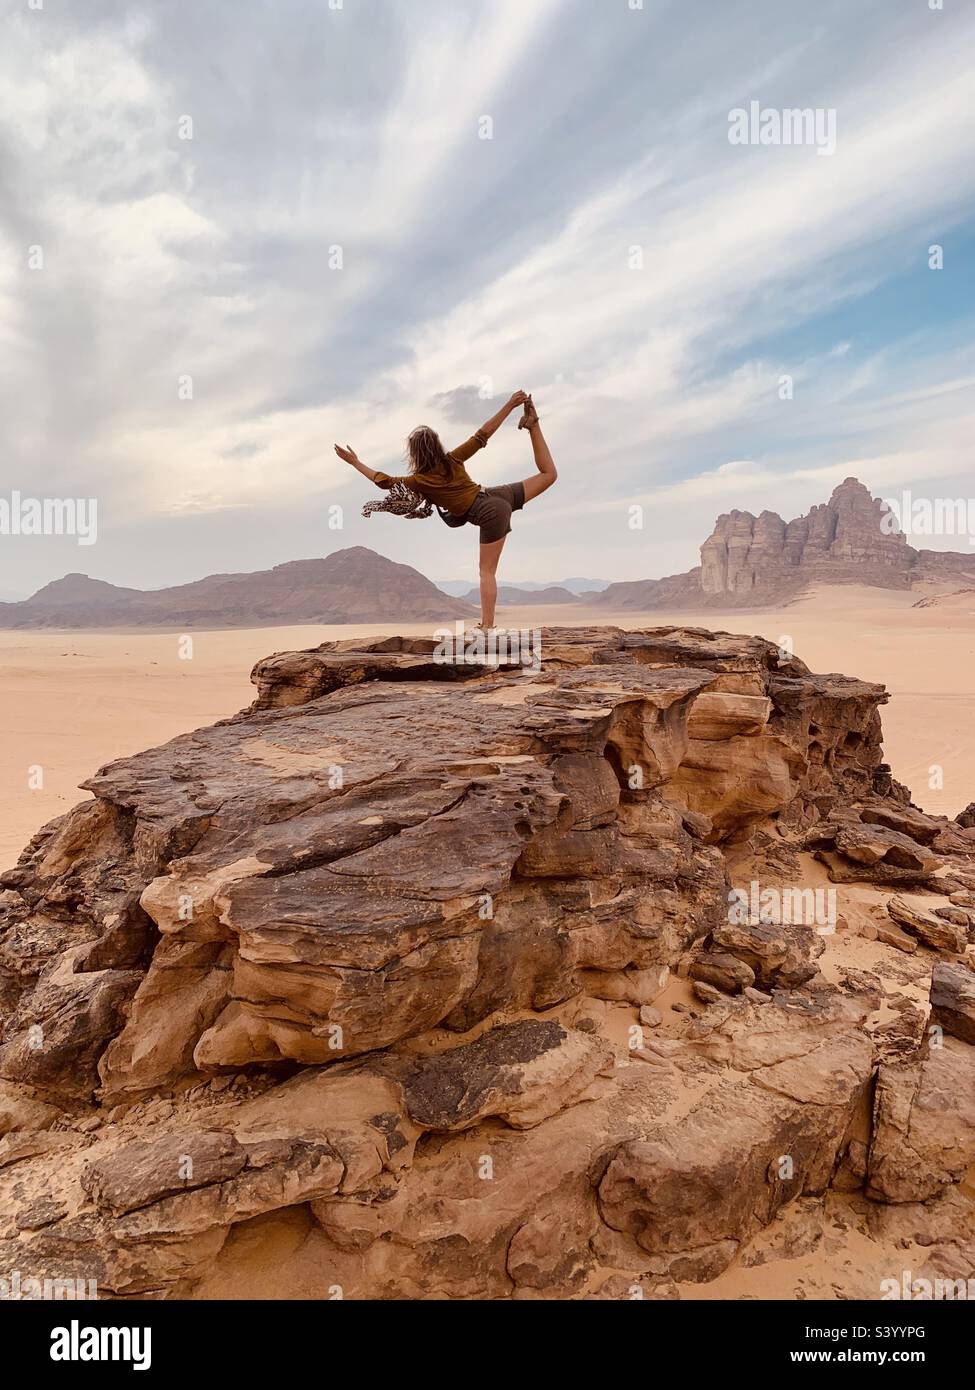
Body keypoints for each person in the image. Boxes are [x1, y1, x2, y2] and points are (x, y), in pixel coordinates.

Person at [335, 392, 557, 629]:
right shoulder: (453, 459)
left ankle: (488, 627)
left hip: (490, 512)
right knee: (549, 475)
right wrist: (510, 405)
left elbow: (384, 481)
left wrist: (355, 463)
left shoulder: (419, 480)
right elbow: (483, 434)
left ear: (414, 454)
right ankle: (533, 426)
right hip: (498, 494)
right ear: (437, 446)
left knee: (486, 571)